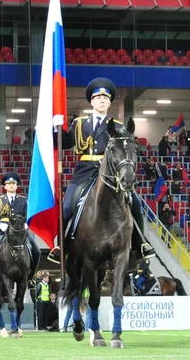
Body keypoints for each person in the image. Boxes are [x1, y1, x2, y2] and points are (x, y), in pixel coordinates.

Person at [50, 77, 154, 263]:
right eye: (98, 98)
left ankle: (140, 244)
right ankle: (61, 247)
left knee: (135, 202)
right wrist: (55, 128)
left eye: (106, 98)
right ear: (92, 101)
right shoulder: (79, 123)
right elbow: (65, 143)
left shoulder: (118, 126)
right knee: (66, 207)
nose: (102, 101)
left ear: (109, 103)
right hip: (84, 172)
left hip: (110, 174)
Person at [0, 172, 41, 290]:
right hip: (3, 230)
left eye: (13, 183)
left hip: (19, 231)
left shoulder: (23, 200)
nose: (11, 185)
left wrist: (26, 224)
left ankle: (31, 278)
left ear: (16, 185)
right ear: (5, 186)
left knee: (37, 251)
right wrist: (0, 225)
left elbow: (28, 215)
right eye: (9, 184)